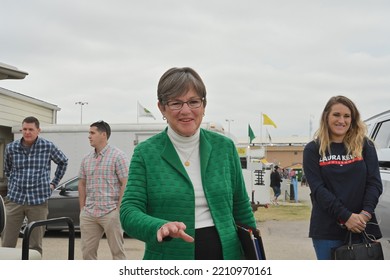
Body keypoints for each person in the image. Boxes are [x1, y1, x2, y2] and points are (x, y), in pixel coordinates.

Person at [120, 67, 256, 260]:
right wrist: (158, 226)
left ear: (204, 105)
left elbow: (242, 207)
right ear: (162, 108)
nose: (186, 111)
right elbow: (129, 212)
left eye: (193, 102)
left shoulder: (224, 147)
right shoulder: (145, 153)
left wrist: (253, 255)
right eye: (176, 103)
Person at [303, 95, 383, 260]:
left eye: (347, 116)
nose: (342, 120)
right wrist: (346, 217)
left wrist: (365, 215)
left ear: (353, 119)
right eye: (336, 115)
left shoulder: (365, 146)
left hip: (363, 227)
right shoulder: (313, 149)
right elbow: (318, 189)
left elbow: (374, 183)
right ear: (326, 116)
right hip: (327, 230)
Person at [1, 116, 68, 255]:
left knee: (35, 245)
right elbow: (7, 169)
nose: (27, 132)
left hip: (38, 201)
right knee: (7, 243)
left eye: (31, 129)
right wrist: (14, 181)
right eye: (24, 129)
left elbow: (63, 162)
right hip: (14, 200)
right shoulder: (11, 148)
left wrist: (53, 183)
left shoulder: (47, 146)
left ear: (38, 130)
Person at [78, 121, 129, 260]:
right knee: (87, 253)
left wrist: (118, 210)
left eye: (92, 133)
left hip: (110, 212)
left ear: (103, 134)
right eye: (89, 133)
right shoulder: (86, 159)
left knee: (118, 253)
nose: (89, 136)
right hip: (89, 213)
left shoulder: (118, 156)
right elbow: (81, 183)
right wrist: (82, 209)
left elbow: (126, 183)